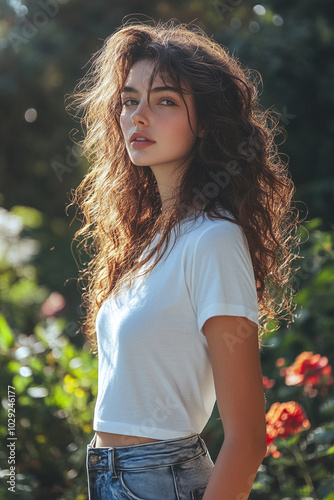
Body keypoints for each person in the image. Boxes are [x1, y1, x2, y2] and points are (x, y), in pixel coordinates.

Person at [66, 19, 302, 500]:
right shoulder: (142, 242)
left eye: (166, 100)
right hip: (108, 476)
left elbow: (248, 440)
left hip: (159, 481)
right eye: (129, 100)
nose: (139, 116)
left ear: (207, 123)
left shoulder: (213, 239)